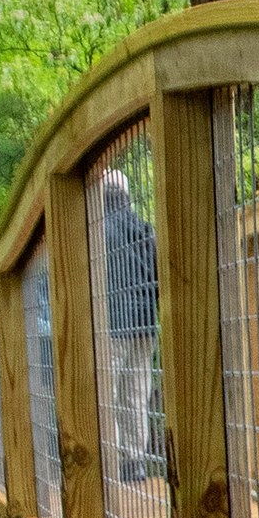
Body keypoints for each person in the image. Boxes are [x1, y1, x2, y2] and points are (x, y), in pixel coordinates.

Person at [98, 167, 161, 482]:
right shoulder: (144, 229)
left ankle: (105, 459)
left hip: (111, 323)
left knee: (104, 392)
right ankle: (134, 461)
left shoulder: (98, 230)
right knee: (136, 392)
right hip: (145, 324)